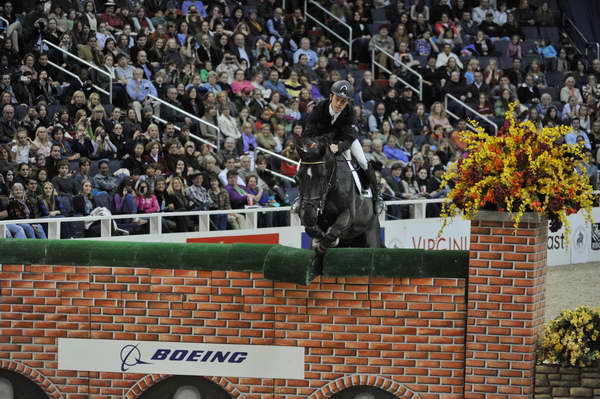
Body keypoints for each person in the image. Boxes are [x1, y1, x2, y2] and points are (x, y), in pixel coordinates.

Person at [301, 80, 384, 214]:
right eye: (338, 99)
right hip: (321, 140)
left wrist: (339, 147)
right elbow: (308, 133)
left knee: (362, 161)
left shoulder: (349, 111)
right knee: (304, 162)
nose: (339, 104)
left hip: (344, 140)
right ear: (331, 97)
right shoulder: (319, 108)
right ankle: (301, 198)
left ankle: (377, 196)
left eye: (343, 101)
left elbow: (349, 137)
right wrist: (321, 145)